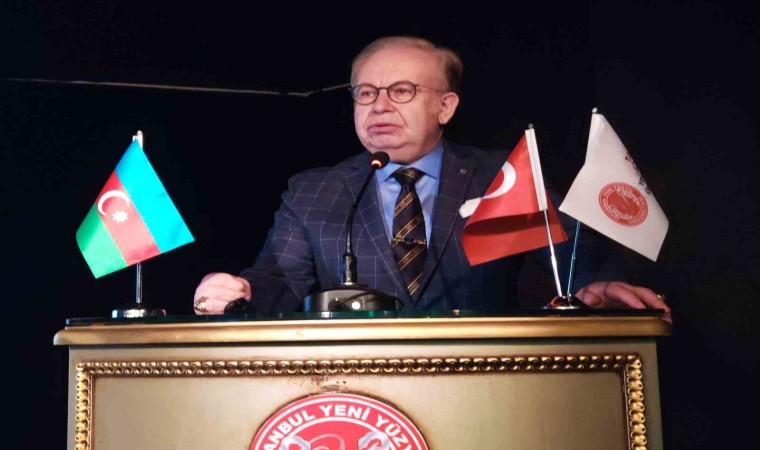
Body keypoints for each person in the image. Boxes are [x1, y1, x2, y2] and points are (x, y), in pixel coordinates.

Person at [192, 36, 672, 322]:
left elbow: (570, 260)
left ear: (445, 106)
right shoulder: (314, 190)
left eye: (401, 90)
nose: (380, 106)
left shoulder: (501, 176)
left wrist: (595, 287)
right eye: (366, 93)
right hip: (355, 391)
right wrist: (238, 293)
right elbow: (278, 282)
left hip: (482, 379)